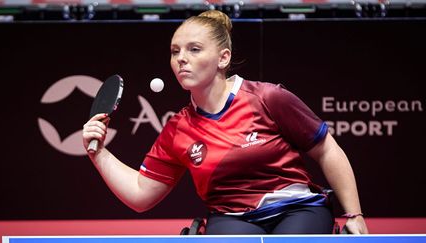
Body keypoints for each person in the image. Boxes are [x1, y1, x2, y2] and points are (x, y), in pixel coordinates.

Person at [82, 10, 368, 234]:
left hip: (297, 209)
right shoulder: (178, 128)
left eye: (194, 49)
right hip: (232, 217)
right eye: (175, 51)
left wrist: (354, 215)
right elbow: (141, 195)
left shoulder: (267, 97)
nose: (181, 59)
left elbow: (327, 150)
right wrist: (98, 153)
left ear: (223, 58)